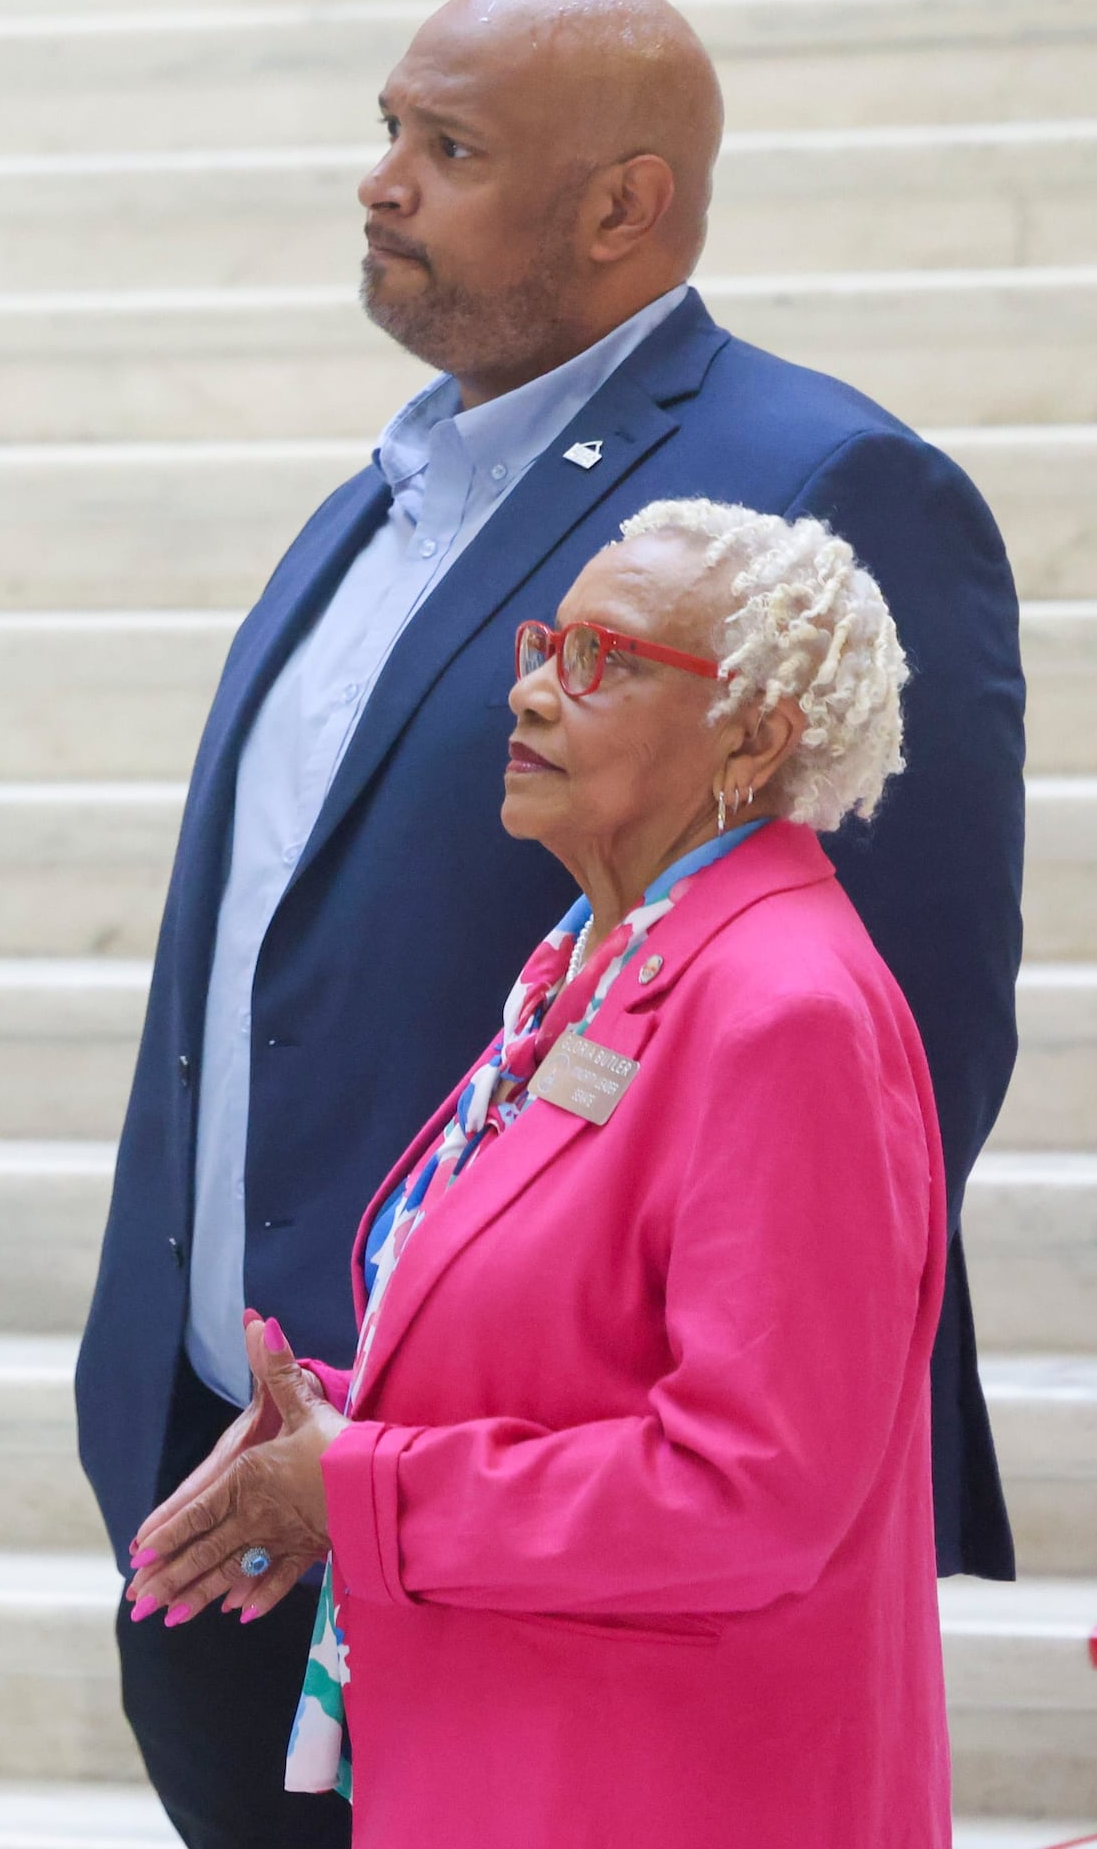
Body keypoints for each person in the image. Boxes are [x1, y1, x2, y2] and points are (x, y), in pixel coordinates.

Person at [73, 0, 1021, 1848]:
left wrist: (480, 1449)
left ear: (623, 206)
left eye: (450, 150)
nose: (382, 185)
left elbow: (888, 1055)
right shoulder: (391, 491)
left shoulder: (815, 488)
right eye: (389, 133)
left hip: (555, 1564)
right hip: (252, 1475)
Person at [124, 502, 949, 1845]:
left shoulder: (783, 1007)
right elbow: (578, 1349)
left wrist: (366, 1487)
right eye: (544, 644)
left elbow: (753, 1492)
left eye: (606, 661)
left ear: (754, 733)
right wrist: (332, 1424)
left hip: (672, 1784)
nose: (529, 691)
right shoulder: (595, 960)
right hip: (517, 1754)